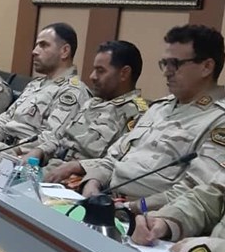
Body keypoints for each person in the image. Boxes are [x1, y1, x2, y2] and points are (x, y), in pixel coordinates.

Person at [81, 25, 225, 212]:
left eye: (175, 64)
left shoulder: (218, 120)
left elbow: (194, 192)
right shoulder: (159, 107)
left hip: (150, 217)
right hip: (105, 201)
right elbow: (113, 158)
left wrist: (132, 207)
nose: (166, 72)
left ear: (206, 67)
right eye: (165, 63)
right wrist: (92, 183)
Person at [23, 40, 148, 183]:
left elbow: (120, 164)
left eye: (101, 71)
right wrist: (40, 150)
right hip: (51, 170)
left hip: (80, 182)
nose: (92, 76)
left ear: (124, 73)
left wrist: (77, 166)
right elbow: (60, 137)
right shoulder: (92, 102)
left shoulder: (137, 115)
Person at [0, 23, 91, 155]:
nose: (35, 51)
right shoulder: (35, 84)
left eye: (43, 45)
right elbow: (5, 118)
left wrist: (10, 151)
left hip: (24, 157)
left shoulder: (72, 91)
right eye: (37, 45)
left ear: (65, 51)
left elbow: (53, 138)